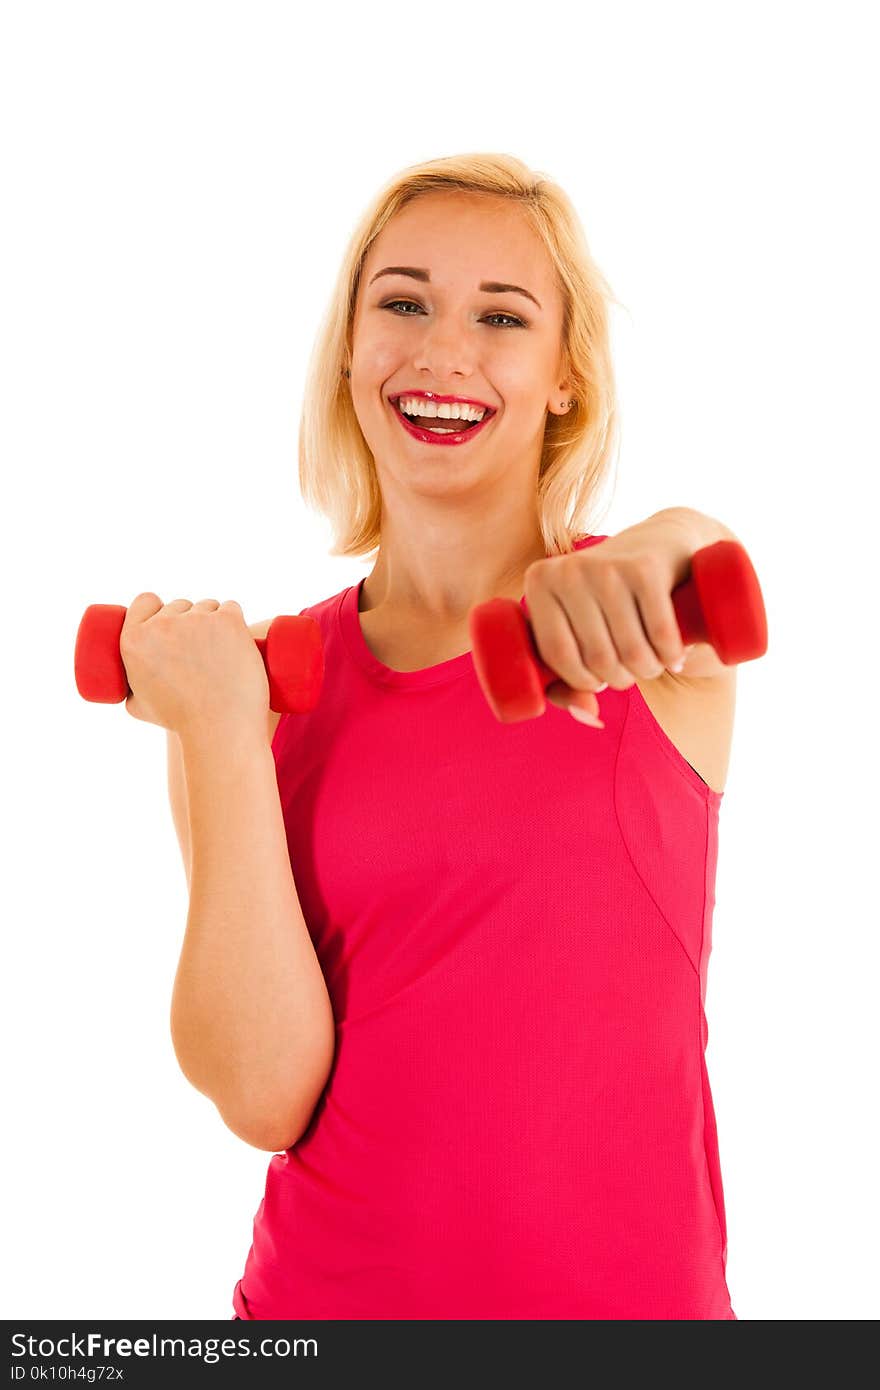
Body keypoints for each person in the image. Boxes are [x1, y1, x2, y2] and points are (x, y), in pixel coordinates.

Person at [128, 152, 741, 1319]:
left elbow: (702, 558)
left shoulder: (645, 633)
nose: (441, 351)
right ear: (352, 351)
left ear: (565, 377)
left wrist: (652, 547)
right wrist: (213, 731)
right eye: (402, 303)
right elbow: (263, 1093)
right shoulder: (255, 690)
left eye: (499, 316)